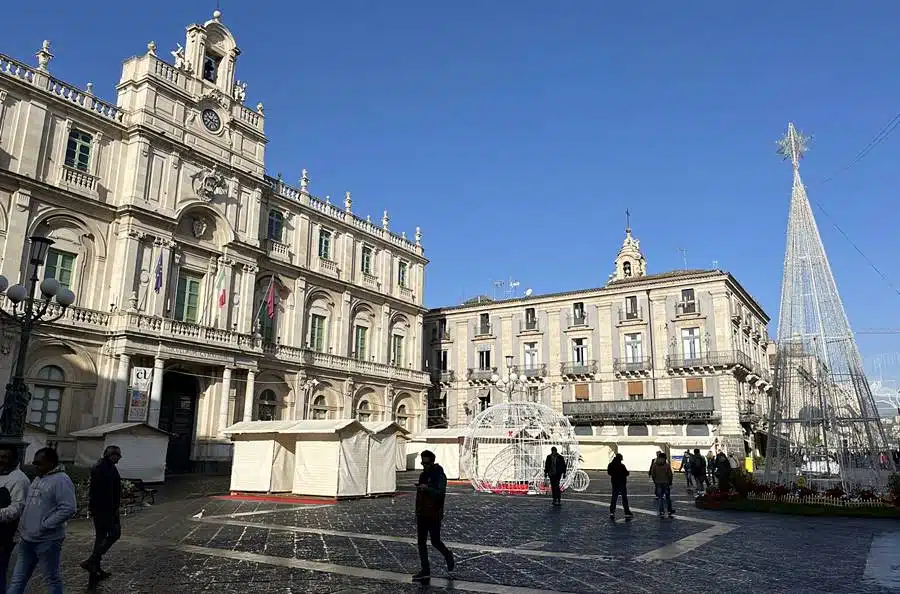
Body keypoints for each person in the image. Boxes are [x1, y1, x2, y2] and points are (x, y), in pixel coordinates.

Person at [8, 447, 77, 594]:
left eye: (40, 463)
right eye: (35, 463)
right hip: (27, 539)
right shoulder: (39, 478)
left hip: (47, 540)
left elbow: (68, 508)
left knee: (51, 578)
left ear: (51, 463)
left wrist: (45, 525)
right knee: (17, 579)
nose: (36, 467)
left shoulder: (61, 480)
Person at [82, 445, 122, 584]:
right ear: (108, 455)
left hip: (109, 509)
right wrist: (106, 510)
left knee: (103, 537)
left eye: (118, 455)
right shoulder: (101, 469)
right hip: (104, 510)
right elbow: (100, 492)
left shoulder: (110, 467)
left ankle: (94, 566)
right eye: (115, 455)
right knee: (112, 534)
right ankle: (93, 561)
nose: (117, 458)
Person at [412, 450, 454, 582]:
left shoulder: (439, 475)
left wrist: (427, 488)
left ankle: (447, 555)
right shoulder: (423, 475)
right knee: (421, 542)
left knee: (435, 541)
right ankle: (425, 570)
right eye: (422, 463)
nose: (424, 466)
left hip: (434, 513)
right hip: (422, 513)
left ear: (432, 462)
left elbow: (440, 494)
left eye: (426, 463)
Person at [0, 446, 29, 594]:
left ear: (14, 459)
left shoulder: (19, 479)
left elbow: (17, 509)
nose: (1, 460)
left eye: (4, 457)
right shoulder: (2, 474)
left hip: (6, 536)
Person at [606, 453, 633, 520]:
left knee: (614, 498)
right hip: (622, 483)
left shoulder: (611, 465)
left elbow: (609, 472)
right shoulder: (622, 466)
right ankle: (626, 512)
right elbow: (626, 473)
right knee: (624, 498)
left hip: (615, 483)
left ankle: (612, 511)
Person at [649, 452, 674, 518]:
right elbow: (670, 475)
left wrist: (655, 481)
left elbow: (653, 474)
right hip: (666, 483)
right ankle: (669, 510)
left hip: (658, 483)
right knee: (668, 497)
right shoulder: (667, 465)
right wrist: (670, 482)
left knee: (660, 498)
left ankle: (661, 511)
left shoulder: (654, 464)